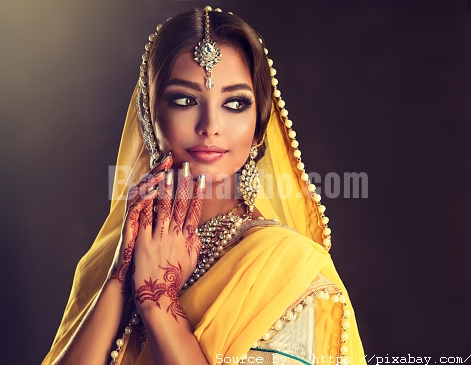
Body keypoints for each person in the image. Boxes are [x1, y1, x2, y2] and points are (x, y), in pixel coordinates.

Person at [42, 6, 364, 365]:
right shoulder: (113, 256)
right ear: (149, 116)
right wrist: (121, 277)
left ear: (259, 126)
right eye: (185, 100)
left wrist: (160, 302)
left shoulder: (286, 268)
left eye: (235, 103)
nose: (210, 125)